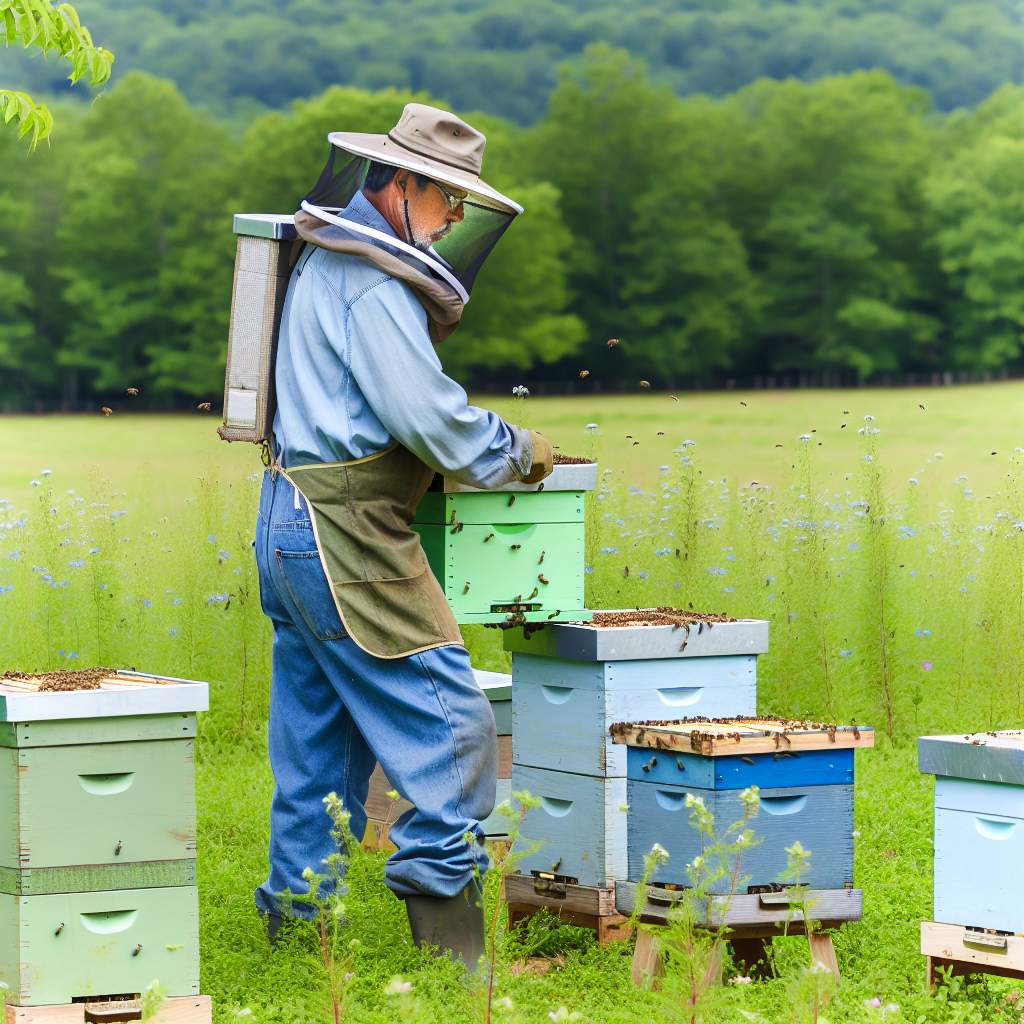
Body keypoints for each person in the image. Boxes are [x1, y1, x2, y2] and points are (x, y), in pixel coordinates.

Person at [252, 103, 552, 967]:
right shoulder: (375, 283)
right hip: (345, 537)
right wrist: (516, 449)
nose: (455, 216)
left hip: (285, 518)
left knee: (320, 740)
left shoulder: (325, 261)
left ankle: (300, 939)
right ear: (405, 182)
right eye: (448, 196)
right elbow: (429, 421)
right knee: (452, 720)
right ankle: (452, 953)